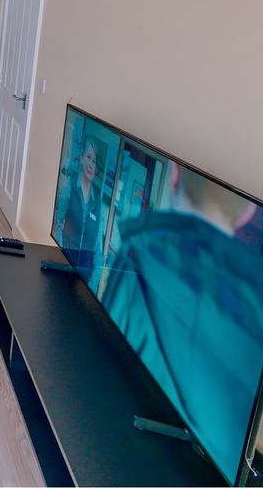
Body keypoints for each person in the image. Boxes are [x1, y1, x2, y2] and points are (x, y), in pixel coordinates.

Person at [102, 164, 263, 482]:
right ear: (246, 215)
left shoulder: (139, 252)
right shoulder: (254, 303)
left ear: (174, 175)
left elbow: (104, 358)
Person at [55, 137, 102, 281]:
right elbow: (57, 224)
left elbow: (97, 250)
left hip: (84, 277)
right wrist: (62, 257)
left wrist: (93, 285)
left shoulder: (98, 204)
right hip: (64, 266)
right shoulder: (68, 188)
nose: (91, 164)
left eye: (94, 161)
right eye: (88, 157)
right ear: (81, 159)